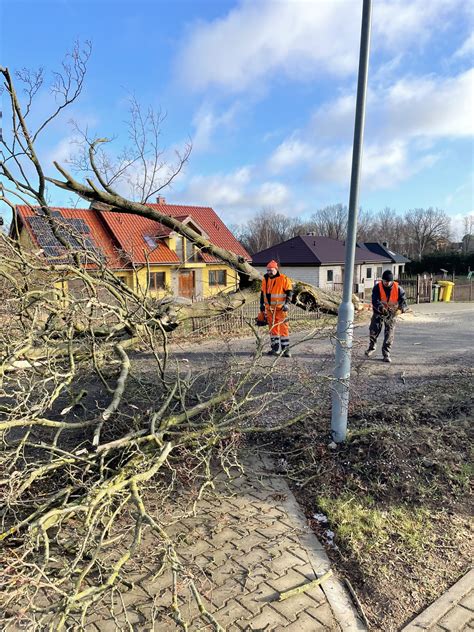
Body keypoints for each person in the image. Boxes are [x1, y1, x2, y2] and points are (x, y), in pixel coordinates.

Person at [365, 270, 408, 363]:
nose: (387, 283)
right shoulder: (377, 287)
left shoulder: (398, 289)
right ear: (382, 280)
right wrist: (381, 308)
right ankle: (371, 348)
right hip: (378, 312)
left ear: (392, 281)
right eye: (385, 281)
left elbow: (404, 302)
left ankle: (386, 354)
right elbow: (375, 300)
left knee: (389, 334)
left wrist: (401, 310)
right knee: (373, 330)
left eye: (389, 281)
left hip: (392, 314)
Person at [260, 260, 293, 357]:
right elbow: (262, 293)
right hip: (270, 310)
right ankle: (275, 349)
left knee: (284, 329)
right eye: (268, 270)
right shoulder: (265, 279)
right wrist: (261, 305)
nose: (269, 272)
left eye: (271, 270)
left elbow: (289, 293)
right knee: (273, 330)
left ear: (276, 269)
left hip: (281, 309)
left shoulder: (284, 279)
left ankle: (286, 350)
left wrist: (287, 304)